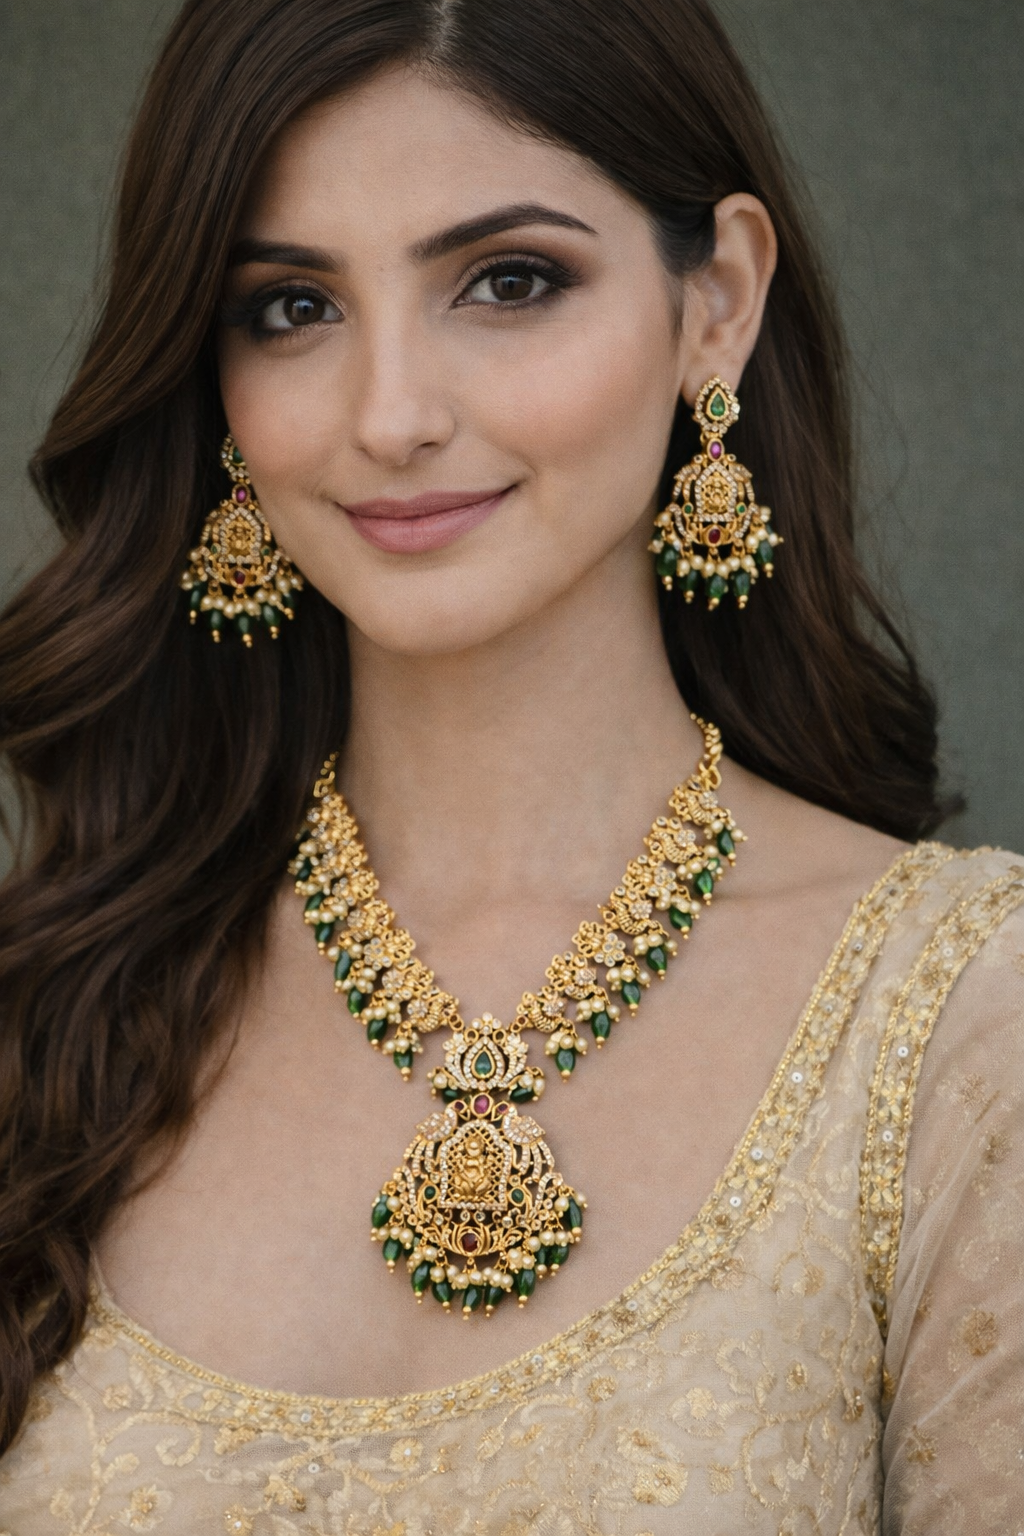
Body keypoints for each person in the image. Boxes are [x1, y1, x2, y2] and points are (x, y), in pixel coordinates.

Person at [0, 1, 1020, 1530]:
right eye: (291, 308)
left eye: (510, 281)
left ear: (716, 302)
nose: (392, 415)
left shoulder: (959, 1025)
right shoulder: (57, 1005)